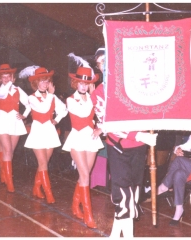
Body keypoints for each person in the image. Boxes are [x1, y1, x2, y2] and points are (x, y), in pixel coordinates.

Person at [90, 47, 158, 237]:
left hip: (139, 148)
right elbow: (108, 124)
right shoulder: (98, 93)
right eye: (100, 63)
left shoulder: (133, 85)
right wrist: (138, 135)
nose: (104, 65)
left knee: (133, 192)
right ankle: (128, 236)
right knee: (122, 193)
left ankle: (115, 234)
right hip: (118, 146)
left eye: (107, 60)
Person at [62, 65, 104, 229]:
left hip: (91, 138)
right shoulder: (71, 99)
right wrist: (94, 97)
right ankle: (88, 215)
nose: (83, 86)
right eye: (80, 83)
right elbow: (83, 114)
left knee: (85, 175)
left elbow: (101, 115)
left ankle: (75, 206)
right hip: (77, 138)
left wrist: (100, 127)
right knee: (85, 175)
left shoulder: (94, 98)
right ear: (75, 83)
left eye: (86, 83)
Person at [22, 66, 68, 204]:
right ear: (36, 83)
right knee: (43, 163)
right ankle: (48, 192)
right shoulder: (32, 98)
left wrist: (57, 119)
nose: (45, 83)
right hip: (37, 132)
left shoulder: (51, 97)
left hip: (49, 131)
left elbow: (64, 109)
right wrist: (52, 95)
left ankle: (36, 188)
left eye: (47, 81)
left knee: (44, 163)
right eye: (42, 81)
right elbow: (43, 108)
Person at [157, 108, 191, 226]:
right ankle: (179, 209)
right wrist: (178, 149)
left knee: (180, 160)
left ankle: (163, 186)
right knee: (178, 174)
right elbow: (187, 146)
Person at [0, 64, 31, 192]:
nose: (6, 79)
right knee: (7, 150)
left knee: (9, 152)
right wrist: (9, 83)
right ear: (0, 78)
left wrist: (24, 115)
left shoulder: (18, 90)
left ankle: (4, 174)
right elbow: (2, 94)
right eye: (3, 76)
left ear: (12, 77)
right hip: (2, 120)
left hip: (15, 121)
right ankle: (10, 183)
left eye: (8, 76)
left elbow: (29, 103)